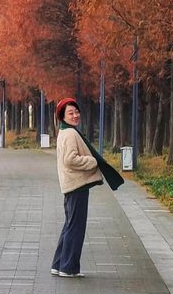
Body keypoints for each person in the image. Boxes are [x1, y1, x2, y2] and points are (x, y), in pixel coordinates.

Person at [51, 97, 124, 278]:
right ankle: (68, 268)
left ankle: (59, 264)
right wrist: (91, 162)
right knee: (76, 227)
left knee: (70, 225)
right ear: (62, 116)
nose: (75, 115)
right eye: (70, 113)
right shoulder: (69, 134)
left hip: (71, 185)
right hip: (76, 185)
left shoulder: (65, 131)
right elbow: (70, 159)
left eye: (76, 112)